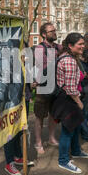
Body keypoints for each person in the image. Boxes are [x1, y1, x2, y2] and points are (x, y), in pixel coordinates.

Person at [52, 32, 88, 173]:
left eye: (83, 44)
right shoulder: (69, 60)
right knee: (67, 130)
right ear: (70, 45)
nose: (83, 46)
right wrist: (78, 101)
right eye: (80, 44)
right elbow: (70, 87)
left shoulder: (67, 57)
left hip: (66, 98)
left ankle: (76, 151)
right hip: (68, 100)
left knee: (75, 127)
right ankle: (63, 161)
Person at [32, 22, 62, 154]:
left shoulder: (58, 47)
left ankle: (51, 137)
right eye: (51, 31)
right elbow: (43, 66)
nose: (54, 33)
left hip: (56, 85)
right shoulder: (40, 48)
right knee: (39, 116)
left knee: (53, 114)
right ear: (44, 34)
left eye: (55, 30)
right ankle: (38, 142)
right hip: (43, 86)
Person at [4, 53, 34, 175]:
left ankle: (18, 156)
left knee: (20, 130)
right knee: (10, 132)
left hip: (24, 99)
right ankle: (9, 162)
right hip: (11, 102)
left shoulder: (25, 65)